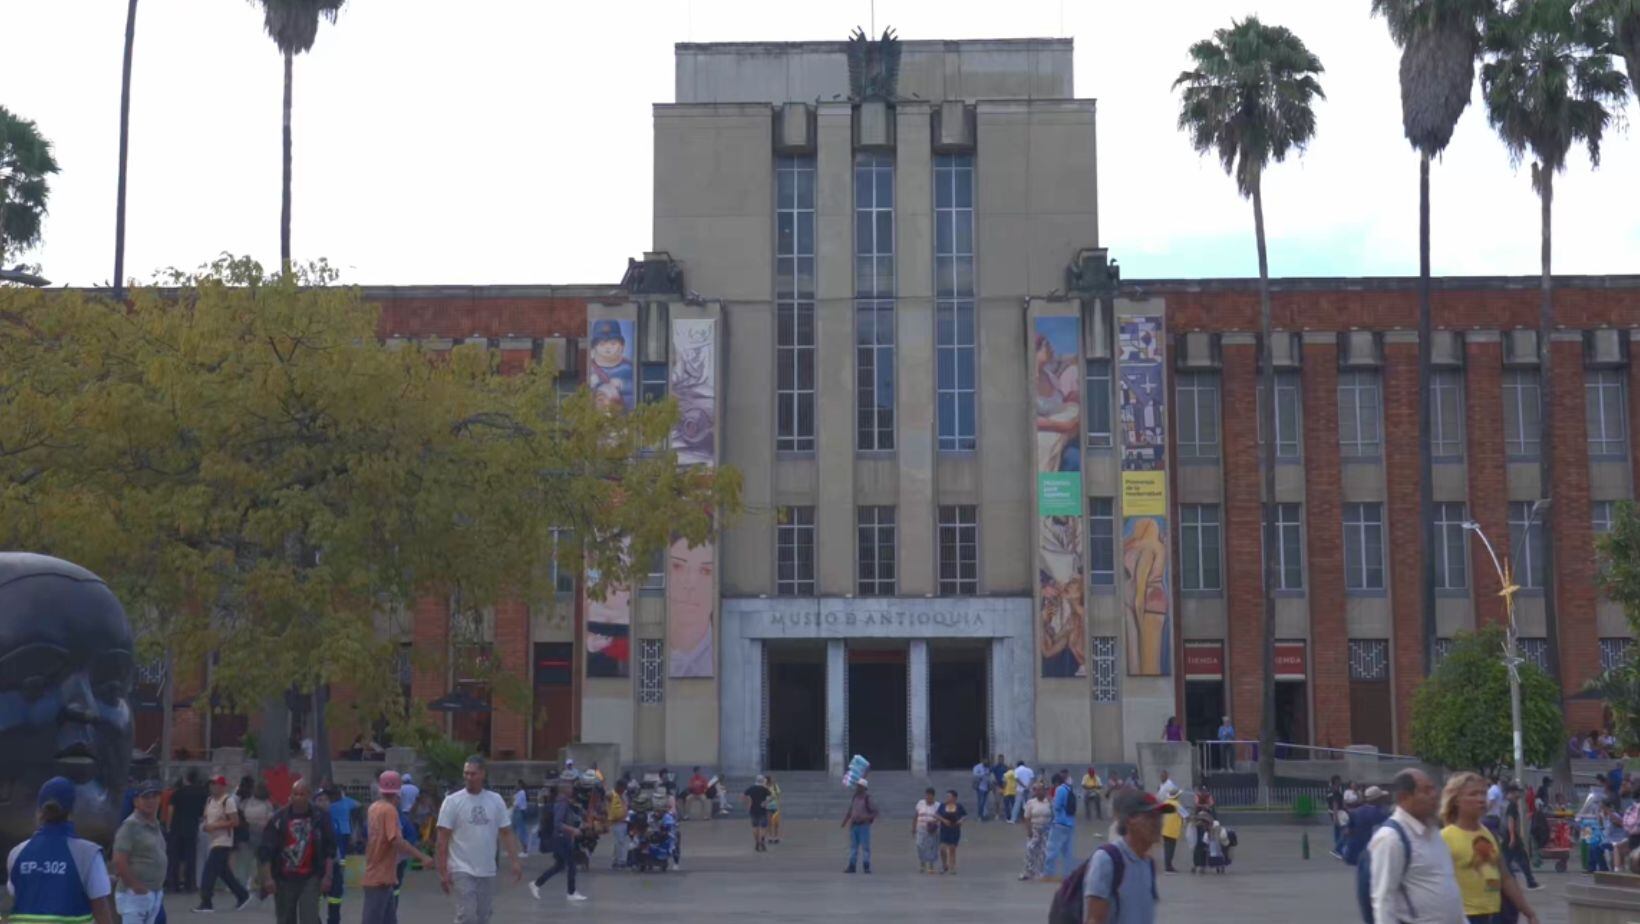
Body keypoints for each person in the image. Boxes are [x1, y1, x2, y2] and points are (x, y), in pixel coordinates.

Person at [8, 777, 114, 924]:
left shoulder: (17, 853)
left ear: (39, 810)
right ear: (73, 810)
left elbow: (17, 896)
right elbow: (101, 909)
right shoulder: (88, 854)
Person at [1439, 771, 1539, 924]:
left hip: (1494, 915)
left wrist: (1528, 912)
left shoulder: (1488, 834)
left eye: (1483, 793)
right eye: (1473, 794)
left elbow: (1506, 878)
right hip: (1464, 916)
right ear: (1456, 799)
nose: (1481, 799)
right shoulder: (1446, 837)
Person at [1368, 769, 1464, 924]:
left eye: (1434, 788)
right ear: (1404, 797)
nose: (1434, 795)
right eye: (1426, 791)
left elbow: (1448, 884)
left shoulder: (1434, 832)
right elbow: (1383, 899)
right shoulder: (1391, 838)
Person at [436, 756, 524, 924]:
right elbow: (442, 839)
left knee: (483, 916)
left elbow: (506, 832)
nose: (469, 777)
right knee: (467, 916)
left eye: (473, 774)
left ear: (483, 774)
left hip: (487, 869)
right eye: (466, 773)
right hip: (461, 868)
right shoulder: (452, 802)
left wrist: (515, 861)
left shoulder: (495, 800)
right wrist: (442, 870)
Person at [1083, 789, 1169, 924]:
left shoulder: (1148, 864)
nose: (1158, 823)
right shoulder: (1107, 859)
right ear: (1130, 820)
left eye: (1159, 817)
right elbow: (1094, 920)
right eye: (1150, 817)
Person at [257, 779, 335, 924]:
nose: (298, 798)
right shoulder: (279, 819)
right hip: (284, 878)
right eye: (295, 794)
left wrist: (328, 876)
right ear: (291, 795)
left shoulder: (320, 817)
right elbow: (266, 850)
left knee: (310, 918)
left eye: (302, 794)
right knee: (285, 918)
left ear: (309, 795)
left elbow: (329, 849)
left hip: (310, 876)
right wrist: (267, 878)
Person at [361, 771, 432, 924]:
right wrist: (422, 856)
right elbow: (396, 840)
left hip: (381, 875)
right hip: (380, 878)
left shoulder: (373, 808)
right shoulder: (390, 810)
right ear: (398, 793)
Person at [113, 779, 167, 924]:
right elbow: (119, 860)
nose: (151, 801)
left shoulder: (155, 824)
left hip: (154, 892)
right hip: (134, 895)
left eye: (155, 796)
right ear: (136, 801)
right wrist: (136, 887)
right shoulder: (130, 826)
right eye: (146, 797)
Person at [196, 774, 251, 912]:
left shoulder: (228, 801)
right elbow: (206, 817)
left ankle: (206, 901)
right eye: (212, 784)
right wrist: (206, 825)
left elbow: (235, 821)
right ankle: (242, 894)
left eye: (216, 784)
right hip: (212, 840)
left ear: (222, 786)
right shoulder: (209, 800)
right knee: (224, 872)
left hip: (223, 841)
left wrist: (216, 826)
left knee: (209, 871)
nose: (213, 787)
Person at [528, 785, 587, 903]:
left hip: (561, 838)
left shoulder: (564, 802)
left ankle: (536, 884)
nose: (572, 789)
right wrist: (573, 830)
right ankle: (571, 892)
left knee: (559, 865)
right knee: (571, 865)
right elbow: (558, 823)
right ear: (564, 790)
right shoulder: (562, 803)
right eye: (569, 787)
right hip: (561, 839)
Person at [168, 770, 207, 894]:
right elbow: (204, 811)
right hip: (192, 827)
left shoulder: (178, 793)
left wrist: (169, 826)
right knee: (191, 857)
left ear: (186, 779)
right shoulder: (202, 793)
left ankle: (173, 884)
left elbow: (171, 810)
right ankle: (190, 884)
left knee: (174, 857)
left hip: (176, 827)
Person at [324, 786, 359, 924]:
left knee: (340, 856)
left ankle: (340, 872)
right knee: (341, 856)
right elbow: (358, 805)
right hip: (344, 830)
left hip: (340, 831)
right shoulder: (347, 802)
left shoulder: (330, 806)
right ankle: (340, 872)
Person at [1501, 784, 1541, 891]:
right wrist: (1513, 837)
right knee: (1521, 859)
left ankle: (1513, 881)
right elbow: (1510, 821)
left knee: (1507, 860)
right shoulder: (1511, 805)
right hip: (1511, 836)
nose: (1519, 794)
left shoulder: (1505, 804)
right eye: (1517, 792)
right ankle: (1530, 882)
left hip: (1506, 836)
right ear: (1512, 793)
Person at [240, 781, 275, 901]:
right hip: (262, 834)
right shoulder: (268, 804)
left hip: (247, 833)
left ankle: (244, 884)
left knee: (246, 861)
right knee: (262, 862)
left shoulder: (247, 802)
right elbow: (270, 819)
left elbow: (241, 814)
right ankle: (261, 885)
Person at [1342, 786, 1393, 865]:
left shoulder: (1356, 812)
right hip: (1374, 854)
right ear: (1378, 799)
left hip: (1356, 854)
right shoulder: (1382, 814)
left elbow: (1347, 832)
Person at [840, 780, 878, 874]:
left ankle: (866, 866)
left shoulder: (868, 799)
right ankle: (852, 866)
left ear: (864, 788)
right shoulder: (855, 798)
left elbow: (875, 812)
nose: (857, 788)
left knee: (865, 847)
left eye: (859, 786)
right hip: (854, 826)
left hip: (864, 826)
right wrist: (845, 821)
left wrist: (866, 817)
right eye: (857, 786)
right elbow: (851, 810)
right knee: (853, 847)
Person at [1044, 771, 1077, 880]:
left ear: (1056, 782)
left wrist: (1051, 801)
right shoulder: (1068, 789)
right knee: (1067, 851)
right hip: (1070, 823)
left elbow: (1057, 806)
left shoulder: (1060, 789)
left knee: (1052, 849)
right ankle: (1068, 874)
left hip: (1059, 823)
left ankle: (1048, 873)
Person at [1019, 781, 1053, 881]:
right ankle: (1028, 872)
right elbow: (1026, 818)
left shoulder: (1049, 802)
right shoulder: (1031, 803)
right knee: (1030, 850)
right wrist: (1029, 830)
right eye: (1036, 790)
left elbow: (1054, 815)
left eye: (1040, 790)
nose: (1038, 792)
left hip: (1046, 830)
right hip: (1034, 829)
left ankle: (1042, 872)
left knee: (1044, 851)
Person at [935, 789, 967, 874]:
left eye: (949, 796)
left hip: (954, 829)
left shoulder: (959, 806)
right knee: (942, 848)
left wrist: (961, 821)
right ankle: (944, 865)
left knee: (952, 849)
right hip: (944, 829)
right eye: (947, 796)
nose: (947, 798)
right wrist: (943, 820)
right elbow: (936, 814)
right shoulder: (943, 805)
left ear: (954, 798)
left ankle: (952, 867)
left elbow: (964, 815)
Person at [913, 788, 941, 875]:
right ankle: (922, 862)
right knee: (919, 845)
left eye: (930, 796)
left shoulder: (938, 805)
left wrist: (934, 822)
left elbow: (941, 817)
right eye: (927, 795)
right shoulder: (920, 803)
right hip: (921, 828)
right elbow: (916, 816)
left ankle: (931, 865)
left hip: (932, 829)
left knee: (931, 847)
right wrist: (913, 828)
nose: (928, 797)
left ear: (933, 796)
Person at [742, 775, 773, 852]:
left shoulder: (751, 788)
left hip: (753, 809)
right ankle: (762, 840)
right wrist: (765, 802)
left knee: (755, 826)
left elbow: (743, 796)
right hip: (762, 809)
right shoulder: (764, 789)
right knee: (763, 827)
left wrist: (747, 804)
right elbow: (771, 797)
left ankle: (757, 842)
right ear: (762, 781)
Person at [1159, 786, 1185, 873]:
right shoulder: (1177, 805)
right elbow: (1185, 815)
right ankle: (1168, 867)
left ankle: (1168, 865)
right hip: (1173, 830)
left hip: (1164, 829)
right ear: (1177, 796)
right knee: (1171, 849)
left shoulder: (1165, 803)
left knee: (1167, 848)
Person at [606, 783, 627, 870]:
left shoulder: (624, 795)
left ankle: (616, 860)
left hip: (624, 821)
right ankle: (620, 861)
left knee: (619, 842)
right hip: (617, 822)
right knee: (620, 842)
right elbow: (607, 796)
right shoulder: (612, 794)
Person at [1327, 775, 1347, 858]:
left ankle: (1339, 850)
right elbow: (1335, 804)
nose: (1341, 782)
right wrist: (1336, 817)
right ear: (1336, 782)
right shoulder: (1335, 792)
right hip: (1338, 813)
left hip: (1332, 813)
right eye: (1339, 780)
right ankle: (1337, 850)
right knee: (1345, 832)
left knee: (1337, 832)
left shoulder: (1329, 791)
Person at [510, 783, 530, 857]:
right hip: (517, 812)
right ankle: (516, 849)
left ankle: (525, 851)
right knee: (514, 831)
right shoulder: (518, 794)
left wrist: (513, 797)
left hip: (519, 812)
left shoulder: (521, 793)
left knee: (521, 832)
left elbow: (515, 803)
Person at [766, 774, 784, 845]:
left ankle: (776, 837)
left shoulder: (775, 786)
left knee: (776, 823)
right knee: (769, 822)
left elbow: (778, 796)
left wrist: (779, 805)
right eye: (772, 779)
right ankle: (770, 837)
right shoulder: (765, 787)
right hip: (768, 807)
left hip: (775, 806)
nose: (773, 780)